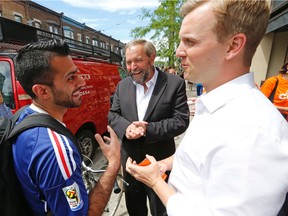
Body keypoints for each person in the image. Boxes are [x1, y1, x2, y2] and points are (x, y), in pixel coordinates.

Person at [126, 1, 288, 215]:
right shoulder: (216, 104)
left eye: (190, 42)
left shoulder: (251, 132)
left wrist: (156, 182)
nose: (178, 52)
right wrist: (164, 165)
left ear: (233, 46)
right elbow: (202, 157)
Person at [12, 39, 121, 215]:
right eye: (71, 78)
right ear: (42, 91)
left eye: (77, 74)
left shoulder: (23, 116)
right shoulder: (57, 151)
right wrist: (114, 164)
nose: (82, 83)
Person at [108, 39, 190, 216]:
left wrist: (148, 129)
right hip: (131, 165)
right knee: (135, 209)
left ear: (152, 58)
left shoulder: (174, 83)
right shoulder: (123, 86)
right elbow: (113, 115)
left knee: (160, 210)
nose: (132, 67)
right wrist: (126, 128)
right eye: (128, 62)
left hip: (160, 164)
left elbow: (181, 120)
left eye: (137, 60)